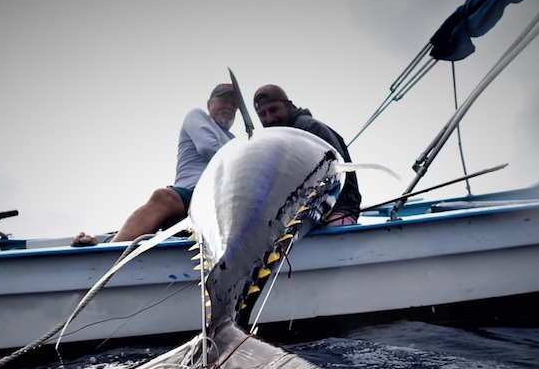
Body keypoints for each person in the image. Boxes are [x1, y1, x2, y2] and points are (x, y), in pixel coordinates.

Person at [72, 83, 238, 246]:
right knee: (164, 197)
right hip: (189, 196)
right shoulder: (197, 116)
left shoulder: (235, 140)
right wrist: (241, 156)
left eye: (233, 104)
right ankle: (111, 253)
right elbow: (207, 147)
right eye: (223, 101)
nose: (229, 106)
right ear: (209, 104)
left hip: (220, 202)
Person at [253, 84, 361, 226]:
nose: (270, 118)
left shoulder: (310, 128)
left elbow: (339, 174)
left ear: (288, 106)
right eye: (262, 114)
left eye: (274, 110)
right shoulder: (278, 141)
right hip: (306, 216)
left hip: (336, 209)